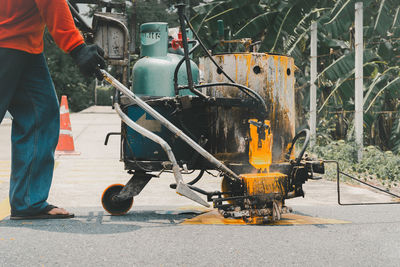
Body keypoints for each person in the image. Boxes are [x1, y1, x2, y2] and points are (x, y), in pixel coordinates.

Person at [0, 0, 105, 219]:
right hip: (7, 42)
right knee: (41, 114)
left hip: (24, 45)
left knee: (41, 115)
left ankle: (28, 201)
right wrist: (77, 48)